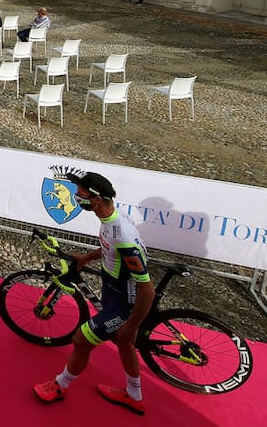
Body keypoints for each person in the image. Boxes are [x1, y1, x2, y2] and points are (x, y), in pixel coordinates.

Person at [34, 171, 154, 416]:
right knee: (123, 343)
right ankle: (134, 395)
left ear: (97, 200)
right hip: (114, 290)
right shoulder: (112, 220)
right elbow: (109, 248)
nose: (77, 200)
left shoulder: (124, 236)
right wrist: (87, 257)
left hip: (125, 303)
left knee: (81, 340)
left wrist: (132, 324)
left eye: (80, 197)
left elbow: (147, 290)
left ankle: (61, 385)